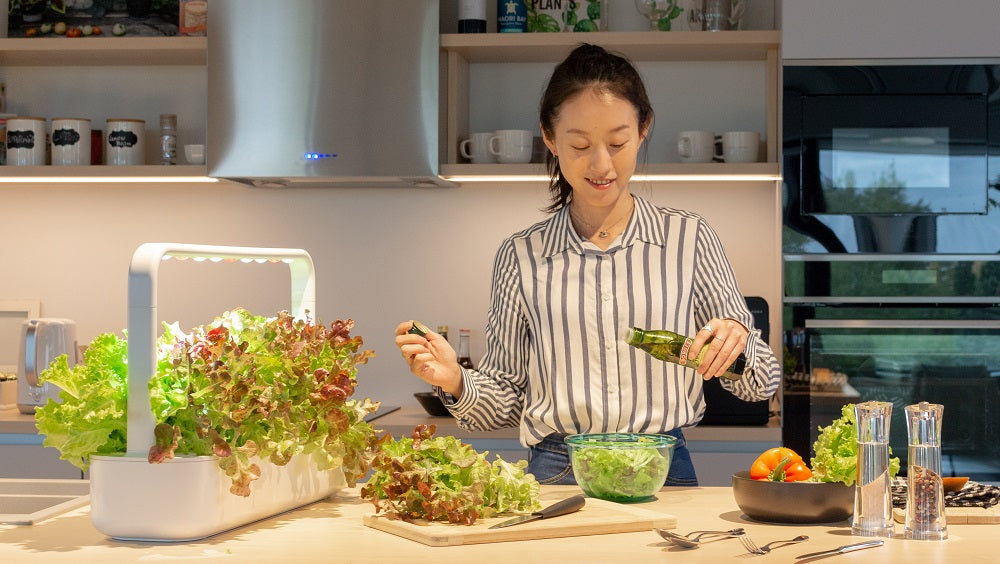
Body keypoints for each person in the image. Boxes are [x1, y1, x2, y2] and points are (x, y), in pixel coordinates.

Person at [395, 43, 780, 486]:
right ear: (550, 138)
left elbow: (758, 385)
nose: (601, 164)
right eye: (580, 144)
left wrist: (738, 346)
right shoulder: (521, 256)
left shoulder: (690, 239)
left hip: (662, 468)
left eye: (617, 142)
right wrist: (456, 381)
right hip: (559, 470)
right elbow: (502, 401)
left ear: (643, 130)